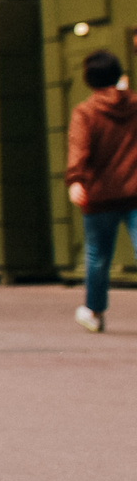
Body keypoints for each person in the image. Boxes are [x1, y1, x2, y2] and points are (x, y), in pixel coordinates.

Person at [66, 48, 137, 331]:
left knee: (97, 256)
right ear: (119, 74)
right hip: (135, 191)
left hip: (99, 195)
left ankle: (94, 313)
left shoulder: (85, 111)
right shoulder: (135, 105)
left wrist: (75, 180)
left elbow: (79, 148)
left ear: (88, 80)